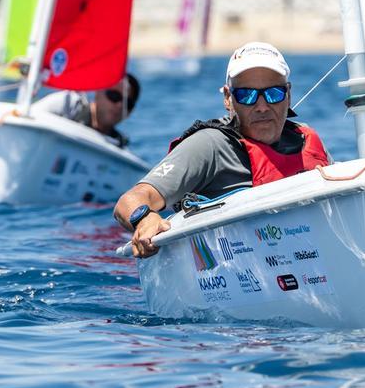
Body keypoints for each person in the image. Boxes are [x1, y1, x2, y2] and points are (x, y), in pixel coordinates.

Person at [113, 41, 330, 258]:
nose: (262, 106)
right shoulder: (209, 145)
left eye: (273, 94)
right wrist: (144, 218)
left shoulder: (304, 140)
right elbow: (129, 200)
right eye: (247, 95)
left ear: (288, 94)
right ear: (228, 98)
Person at [35, 72, 140, 148]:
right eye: (114, 96)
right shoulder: (68, 103)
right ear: (98, 92)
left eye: (128, 104)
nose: (119, 105)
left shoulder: (119, 148)